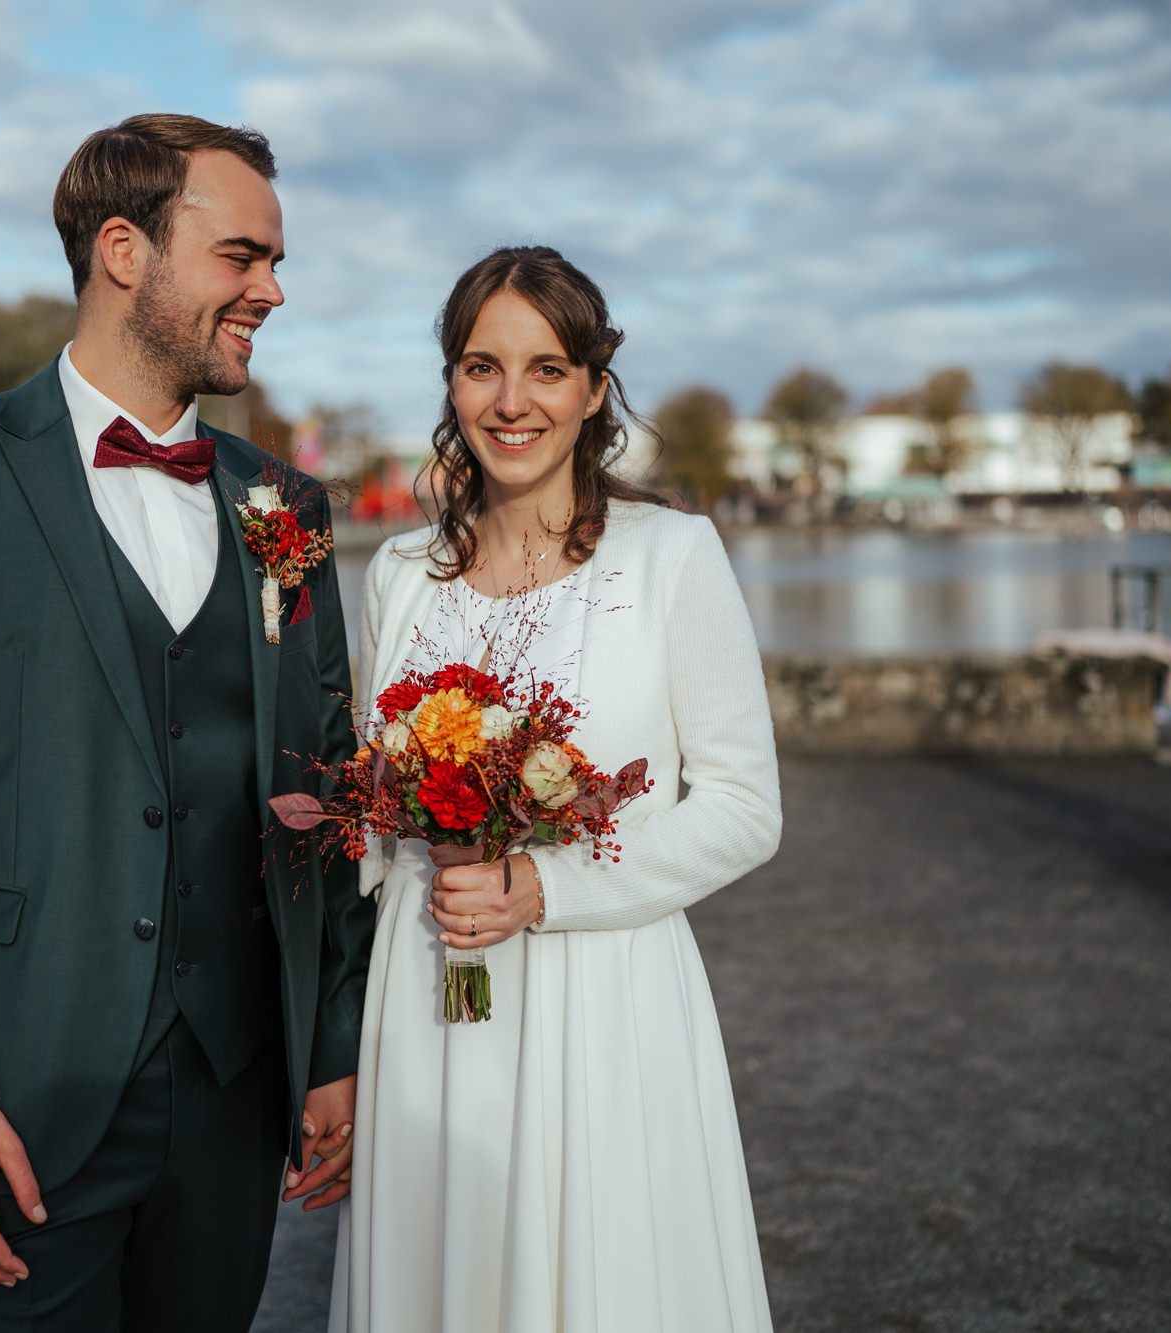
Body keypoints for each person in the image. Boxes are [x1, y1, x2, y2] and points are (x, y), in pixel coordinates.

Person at [0, 113, 372, 1331]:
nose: (271, 290)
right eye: (241, 256)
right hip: (13, 1096)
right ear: (123, 248)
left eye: (274, 262)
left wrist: (329, 1045)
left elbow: (322, 795)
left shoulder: (285, 506)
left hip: (232, 1096)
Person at [332, 246, 781, 1332]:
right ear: (449, 384)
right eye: (481, 367)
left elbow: (741, 807)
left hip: (606, 1001)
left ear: (591, 386)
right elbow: (368, 826)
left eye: (544, 368)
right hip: (425, 996)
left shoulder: (671, 556)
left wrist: (541, 885)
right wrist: (333, 1049)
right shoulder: (396, 576)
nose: (511, 399)